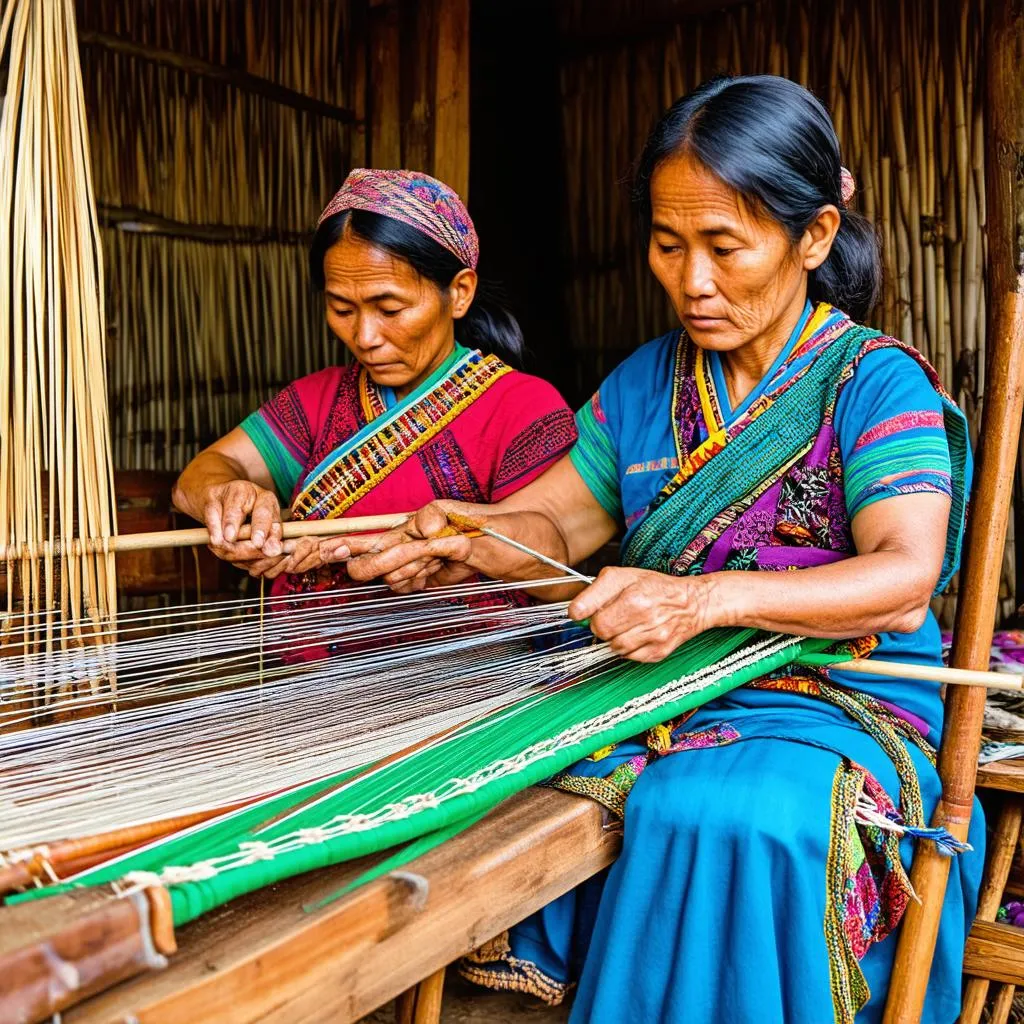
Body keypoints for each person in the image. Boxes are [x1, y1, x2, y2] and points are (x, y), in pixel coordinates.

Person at [338, 77, 983, 1023]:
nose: (692, 282)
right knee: (454, 777)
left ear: (813, 237)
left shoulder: (875, 384)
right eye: (668, 245)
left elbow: (901, 580)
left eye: (726, 247)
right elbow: (554, 525)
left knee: (730, 814)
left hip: (839, 705)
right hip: (657, 693)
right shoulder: (646, 382)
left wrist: (700, 602)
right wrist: (471, 535)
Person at [173, 169, 577, 601]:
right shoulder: (317, 400)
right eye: (342, 309)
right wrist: (228, 500)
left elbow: (552, 557)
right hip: (306, 666)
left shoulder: (522, 408)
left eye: (389, 308)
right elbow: (196, 479)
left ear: (459, 293)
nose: (364, 337)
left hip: (466, 666)